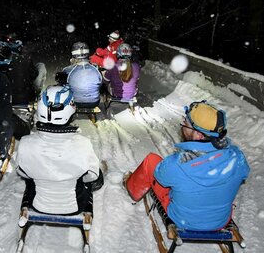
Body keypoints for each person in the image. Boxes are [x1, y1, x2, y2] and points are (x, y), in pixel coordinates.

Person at [124, 101, 250, 231]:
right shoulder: (238, 157)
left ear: (198, 135)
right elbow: (244, 172)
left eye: (186, 123)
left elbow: (160, 176)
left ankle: (132, 189)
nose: (183, 123)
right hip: (221, 221)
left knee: (151, 161)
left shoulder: (178, 164)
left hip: (183, 220)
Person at [16, 85, 103, 217]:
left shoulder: (25, 143)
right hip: (75, 205)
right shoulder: (83, 144)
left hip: (38, 203)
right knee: (96, 173)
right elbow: (92, 176)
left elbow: (22, 172)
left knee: (31, 177)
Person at [57, 42, 103, 108]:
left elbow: (62, 86)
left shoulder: (67, 70)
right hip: (94, 102)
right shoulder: (96, 68)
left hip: (75, 102)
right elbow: (100, 85)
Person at [4, 35, 46, 105]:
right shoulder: (26, 59)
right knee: (41, 66)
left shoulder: (3, 60)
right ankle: (38, 96)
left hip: (6, 97)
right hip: (25, 97)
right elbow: (34, 74)